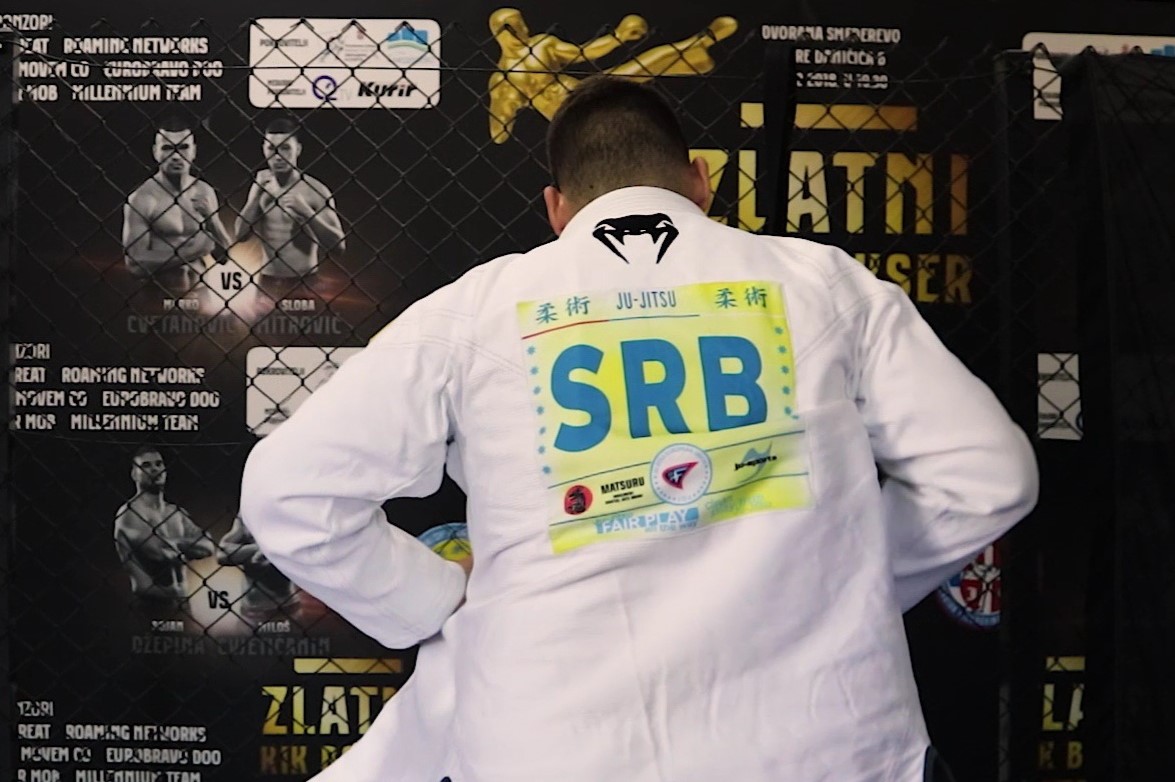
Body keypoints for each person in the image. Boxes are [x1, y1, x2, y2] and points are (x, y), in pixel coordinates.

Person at [241, 76, 1038, 782]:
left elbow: (289, 492)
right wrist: (842, 582)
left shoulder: (474, 310)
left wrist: (430, 601)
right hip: (823, 747)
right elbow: (989, 475)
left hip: (553, 753)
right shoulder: (824, 284)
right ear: (701, 182)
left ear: (556, 209)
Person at [488, 8, 738, 144]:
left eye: (522, 23)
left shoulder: (542, 44)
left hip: (585, 92)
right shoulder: (502, 79)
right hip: (570, 120)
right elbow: (499, 133)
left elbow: (584, 52)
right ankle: (694, 56)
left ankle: (698, 44)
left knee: (638, 68)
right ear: (503, 31)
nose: (524, 29)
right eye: (516, 25)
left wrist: (618, 36)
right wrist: (505, 108)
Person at [234, 117, 346, 298]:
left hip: (305, 281)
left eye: (285, 148)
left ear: (298, 149)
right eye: (272, 148)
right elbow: (240, 235)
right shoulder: (261, 186)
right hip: (268, 281)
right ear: (264, 149)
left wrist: (307, 213)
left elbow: (338, 247)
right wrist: (255, 198)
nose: (278, 156)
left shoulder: (315, 190)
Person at [122, 116, 232, 292]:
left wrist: (212, 220)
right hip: (159, 295)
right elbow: (135, 265)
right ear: (155, 152)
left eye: (183, 147)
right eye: (167, 148)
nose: (175, 156)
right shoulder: (142, 198)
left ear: (194, 151)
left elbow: (224, 257)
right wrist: (192, 251)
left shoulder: (204, 191)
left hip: (201, 293)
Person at [115, 446, 215, 618]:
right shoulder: (129, 514)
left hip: (183, 604)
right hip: (150, 605)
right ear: (134, 474)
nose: (154, 469)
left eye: (159, 464)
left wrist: (174, 544)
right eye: (146, 465)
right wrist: (187, 546)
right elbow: (159, 554)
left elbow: (208, 546)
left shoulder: (176, 513)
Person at [217, 514, 301, 626]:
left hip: (285, 611)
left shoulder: (288, 513)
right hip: (249, 614)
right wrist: (262, 549)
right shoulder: (247, 513)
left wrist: (244, 553)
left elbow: (297, 550)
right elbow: (222, 554)